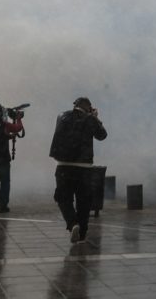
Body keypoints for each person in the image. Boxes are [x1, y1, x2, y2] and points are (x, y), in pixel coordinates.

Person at [49, 97, 107, 244]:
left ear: (75, 105)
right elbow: (102, 135)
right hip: (84, 168)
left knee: (63, 198)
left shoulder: (62, 116)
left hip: (63, 165)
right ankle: (82, 232)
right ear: (88, 107)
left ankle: (72, 223)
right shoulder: (90, 119)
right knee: (84, 201)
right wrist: (95, 118)